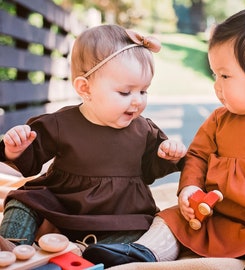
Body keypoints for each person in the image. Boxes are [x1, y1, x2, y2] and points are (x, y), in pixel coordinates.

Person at [82, 7, 245, 270]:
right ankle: (147, 250)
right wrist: (190, 189)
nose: (217, 85)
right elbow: (197, 157)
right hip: (219, 217)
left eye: (225, 75)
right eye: (215, 74)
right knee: (171, 218)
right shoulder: (219, 119)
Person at [0, 24, 187, 247]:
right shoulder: (62, 123)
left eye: (143, 91)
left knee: (141, 229)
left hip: (120, 212)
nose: (137, 100)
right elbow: (32, 154)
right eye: (125, 92)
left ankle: (96, 250)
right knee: (22, 202)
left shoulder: (144, 129)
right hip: (63, 202)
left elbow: (148, 169)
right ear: (85, 88)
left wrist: (169, 154)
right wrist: (17, 149)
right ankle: (11, 247)